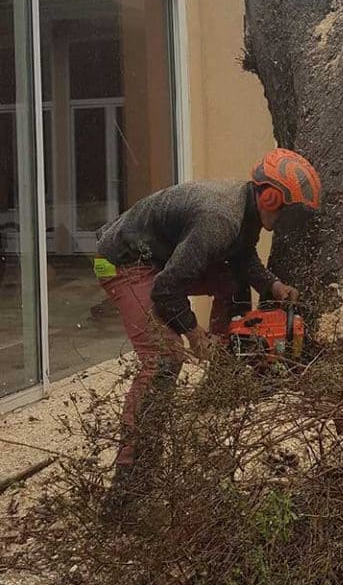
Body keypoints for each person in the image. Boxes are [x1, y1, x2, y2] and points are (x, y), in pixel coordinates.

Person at [94, 148, 321, 500]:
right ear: (272, 196)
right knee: (164, 360)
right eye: (290, 211)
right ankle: (129, 481)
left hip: (161, 259)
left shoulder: (245, 210)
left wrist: (273, 286)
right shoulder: (220, 219)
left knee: (233, 284)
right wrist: (192, 332)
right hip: (119, 262)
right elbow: (167, 289)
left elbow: (242, 257)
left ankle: (221, 378)